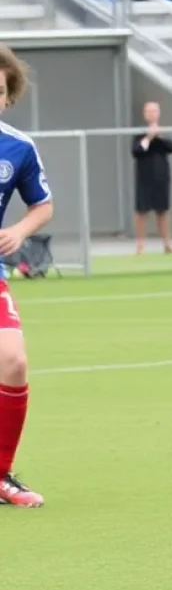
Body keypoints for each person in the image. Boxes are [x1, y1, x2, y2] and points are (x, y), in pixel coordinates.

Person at [0, 47, 53, 507]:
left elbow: (44, 204)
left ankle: (0, 475)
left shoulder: (18, 147)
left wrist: (18, 229)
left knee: (13, 361)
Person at [131, 101, 172, 254]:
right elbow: (136, 151)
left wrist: (159, 137)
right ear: (144, 114)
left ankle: (167, 244)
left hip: (161, 177)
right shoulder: (139, 133)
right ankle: (140, 245)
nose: (152, 114)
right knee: (141, 212)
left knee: (163, 211)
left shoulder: (163, 133)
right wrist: (148, 138)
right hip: (144, 177)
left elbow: (171, 147)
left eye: (154, 111)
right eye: (149, 111)